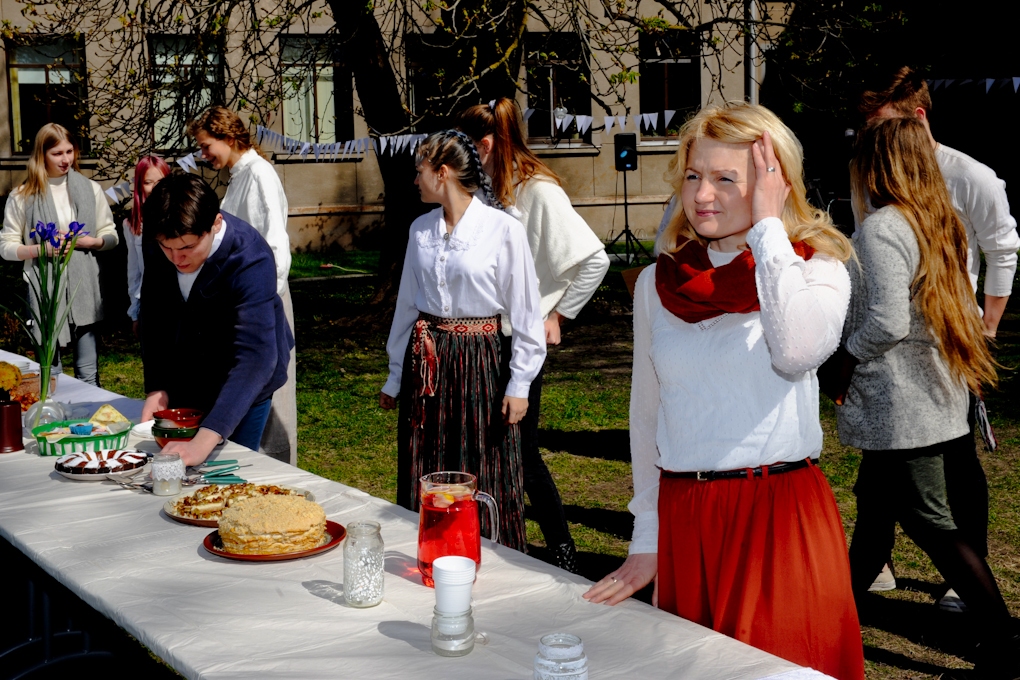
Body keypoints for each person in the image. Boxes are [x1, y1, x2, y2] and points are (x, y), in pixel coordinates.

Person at [582, 103, 865, 679]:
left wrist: (767, 230)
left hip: (776, 519)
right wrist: (647, 537)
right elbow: (648, 418)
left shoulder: (816, 266)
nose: (703, 194)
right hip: (687, 518)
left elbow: (798, 350)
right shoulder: (659, 287)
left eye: (725, 178)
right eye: (693, 175)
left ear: (772, 181)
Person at [840, 116, 1018, 674]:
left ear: (879, 165)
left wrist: (841, 360)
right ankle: (837, 609)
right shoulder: (937, 220)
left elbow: (887, 322)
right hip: (932, 396)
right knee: (874, 514)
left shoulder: (883, 226)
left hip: (902, 405)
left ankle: (1006, 646)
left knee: (929, 522)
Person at [457, 98, 609, 571]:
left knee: (520, 449)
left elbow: (594, 260)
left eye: (465, 148)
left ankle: (562, 547)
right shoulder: (484, 191)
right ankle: (495, 535)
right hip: (480, 340)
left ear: (483, 145)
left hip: (518, 343)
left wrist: (558, 316)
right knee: (482, 444)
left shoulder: (538, 192)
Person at [379, 129, 546, 552]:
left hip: (480, 361)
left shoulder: (502, 229)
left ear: (443, 172)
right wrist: (396, 375)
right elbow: (406, 307)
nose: (415, 181)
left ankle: (492, 551)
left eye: (420, 172)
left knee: (482, 460)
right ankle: (433, 548)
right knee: (429, 459)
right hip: (429, 361)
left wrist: (520, 384)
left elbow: (527, 313)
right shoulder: (420, 230)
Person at [139, 174, 293, 466]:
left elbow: (256, 357)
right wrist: (158, 386)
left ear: (216, 224)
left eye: (187, 248)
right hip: (186, 373)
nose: (175, 258)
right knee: (175, 471)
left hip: (243, 380)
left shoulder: (252, 257)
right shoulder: (161, 234)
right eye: (166, 248)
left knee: (228, 469)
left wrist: (208, 436)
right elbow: (154, 313)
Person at [188, 107, 297, 466]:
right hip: (243, 300)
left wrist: (264, 301)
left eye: (206, 146)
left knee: (267, 393)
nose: (203, 155)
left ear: (228, 137)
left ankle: (272, 479)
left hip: (264, 300)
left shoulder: (260, 175)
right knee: (246, 395)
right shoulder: (238, 175)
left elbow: (276, 246)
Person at [0, 123, 118, 387]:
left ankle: (91, 422)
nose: (66, 159)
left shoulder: (90, 189)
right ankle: (53, 420)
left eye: (69, 151)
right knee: (50, 374)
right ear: (42, 155)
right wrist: (42, 250)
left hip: (84, 289)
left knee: (88, 373)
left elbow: (111, 236)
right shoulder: (22, 196)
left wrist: (92, 241)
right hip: (45, 291)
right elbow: (6, 246)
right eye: (57, 153)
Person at [124, 155, 171, 337]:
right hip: (149, 301)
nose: (154, 188)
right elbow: (134, 271)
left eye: (160, 181)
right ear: (139, 186)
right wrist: (135, 312)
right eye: (148, 182)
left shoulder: (180, 217)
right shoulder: (132, 223)